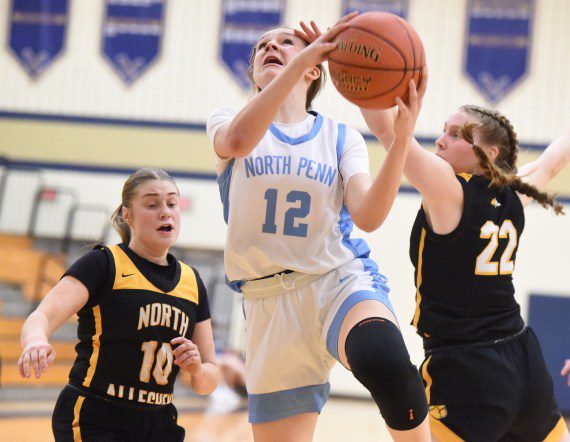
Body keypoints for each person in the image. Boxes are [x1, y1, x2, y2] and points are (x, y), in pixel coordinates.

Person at [207, 12, 431, 442]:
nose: (271, 47)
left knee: (386, 365)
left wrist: (401, 139)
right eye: (263, 47)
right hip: (267, 303)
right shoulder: (226, 121)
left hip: (336, 280)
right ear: (254, 72)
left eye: (285, 43)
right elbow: (237, 143)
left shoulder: (340, 137)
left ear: (314, 69)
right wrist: (299, 57)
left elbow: (368, 215)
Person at [360, 91, 570, 441]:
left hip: (466, 366)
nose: (441, 141)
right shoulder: (514, 192)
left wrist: (354, 71)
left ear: (489, 154)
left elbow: (387, 134)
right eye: (444, 130)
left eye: (457, 134)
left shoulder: (449, 189)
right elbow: (550, 163)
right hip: (523, 359)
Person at [18, 168, 219, 441]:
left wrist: (195, 369)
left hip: (158, 423)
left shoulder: (192, 282)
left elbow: (209, 380)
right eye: (152, 204)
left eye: (172, 203)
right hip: (96, 416)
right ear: (128, 215)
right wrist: (35, 341)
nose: (165, 212)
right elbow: (41, 316)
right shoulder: (103, 263)